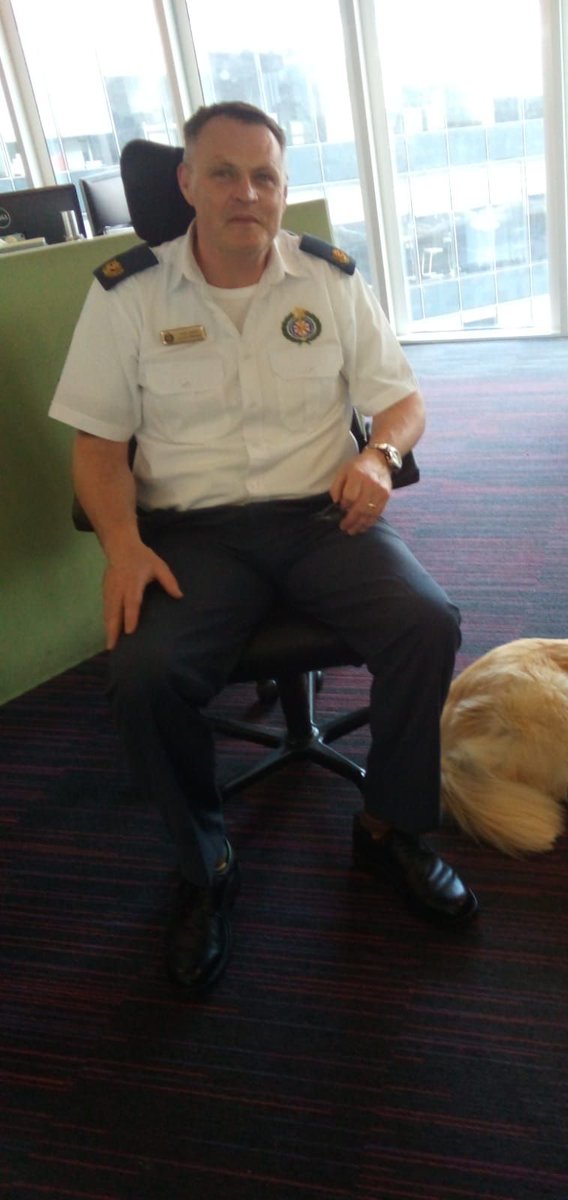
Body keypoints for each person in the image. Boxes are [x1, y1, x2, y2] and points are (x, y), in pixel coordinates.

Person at [49, 101, 478, 996]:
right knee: (142, 673)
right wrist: (123, 547)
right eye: (224, 173)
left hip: (323, 518)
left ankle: (390, 830)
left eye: (266, 177)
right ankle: (205, 867)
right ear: (187, 183)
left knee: (426, 622)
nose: (246, 193)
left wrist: (379, 453)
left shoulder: (328, 279)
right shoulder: (127, 294)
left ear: (283, 190)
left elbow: (401, 398)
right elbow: (96, 445)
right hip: (193, 535)